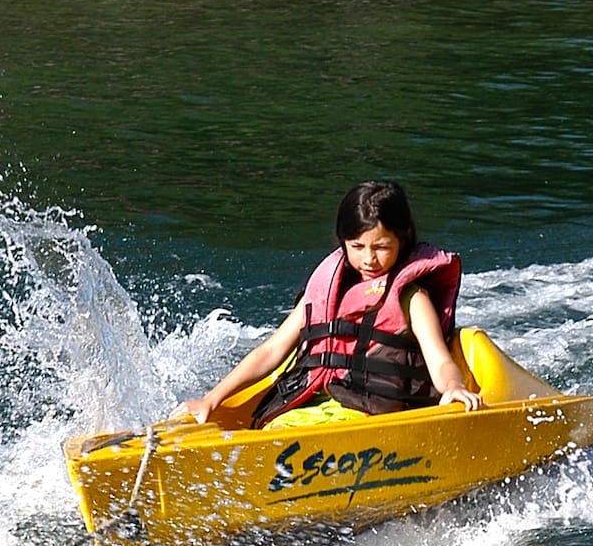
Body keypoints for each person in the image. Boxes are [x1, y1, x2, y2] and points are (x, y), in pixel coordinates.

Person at [179, 181, 483, 429]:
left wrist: (453, 387)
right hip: (305, 409)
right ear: (343, 242)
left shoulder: (413, 299)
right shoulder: (325, 293)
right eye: (357, 247)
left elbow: (440, 360)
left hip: (370, 416)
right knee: (276, 427)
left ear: (402, 241)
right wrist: (211, 399)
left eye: (382, 247)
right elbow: (270, 352)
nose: (369, 259)